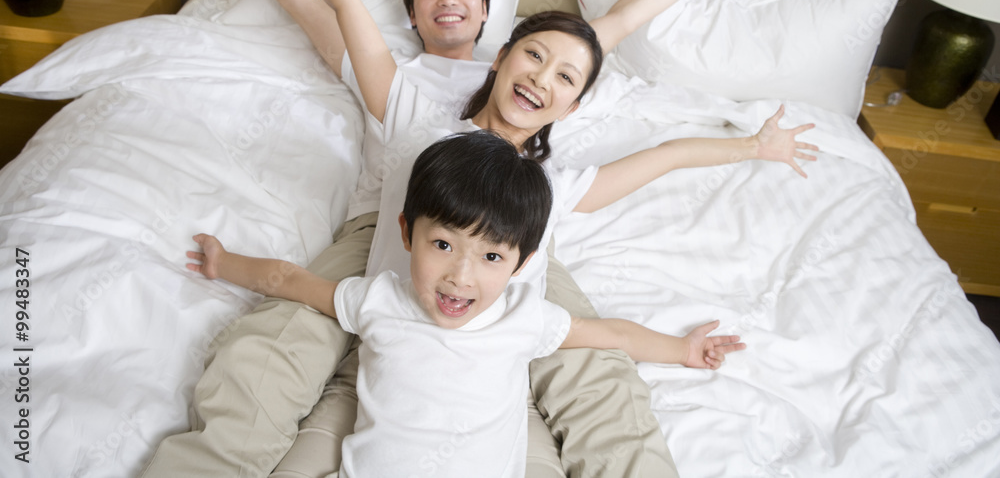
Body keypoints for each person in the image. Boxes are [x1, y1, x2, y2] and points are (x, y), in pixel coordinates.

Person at [142, 0, 791, 478]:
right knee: (280, 349)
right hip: (388, 230)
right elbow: (333, 3)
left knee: (595, 374)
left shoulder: (543, 112)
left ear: (490, 20)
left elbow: (616, 47)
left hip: (512, 231)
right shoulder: (409, 98)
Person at [183, 130, 747, 478]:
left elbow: (615, 336)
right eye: (444, 244)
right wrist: (224, 263)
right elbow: (287, 279)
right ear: (407, 233)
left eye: (491, 259)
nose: (460, 276)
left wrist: (683, 349)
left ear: (522, 265)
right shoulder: (378, 299)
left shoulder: (525, 316)